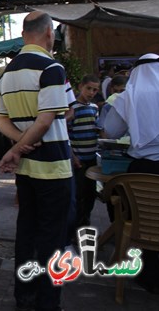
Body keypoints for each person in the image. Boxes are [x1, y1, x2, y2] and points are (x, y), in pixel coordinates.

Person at [0, 11, 72, 311]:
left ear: (24, 33)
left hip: (26, 171)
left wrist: (17, 143)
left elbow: (0, 120)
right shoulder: (52, 67)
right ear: (49, 34)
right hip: (53, 168)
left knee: (26, 232)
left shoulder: (8, 73)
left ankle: (23, 297)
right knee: (52, 238)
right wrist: (17, 149)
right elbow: (46, 120)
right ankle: (48, 303)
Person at [104, 53, 159, 295]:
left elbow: (110, 130)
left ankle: (149, 271)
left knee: (122, 203)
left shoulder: (127, 98)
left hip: (142, 172)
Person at [67, 74, 101, 233]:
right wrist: (73, 157)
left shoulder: (94, 108)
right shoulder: (72, 109)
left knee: (90, 194)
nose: (91, 92)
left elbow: (97, 130)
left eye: (95, 90)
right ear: (80, 87)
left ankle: (85, 223)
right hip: (78, 159)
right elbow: (67, 135)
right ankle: (76, 228)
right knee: (79, 195)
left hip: (92, 158)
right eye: (89, 88)